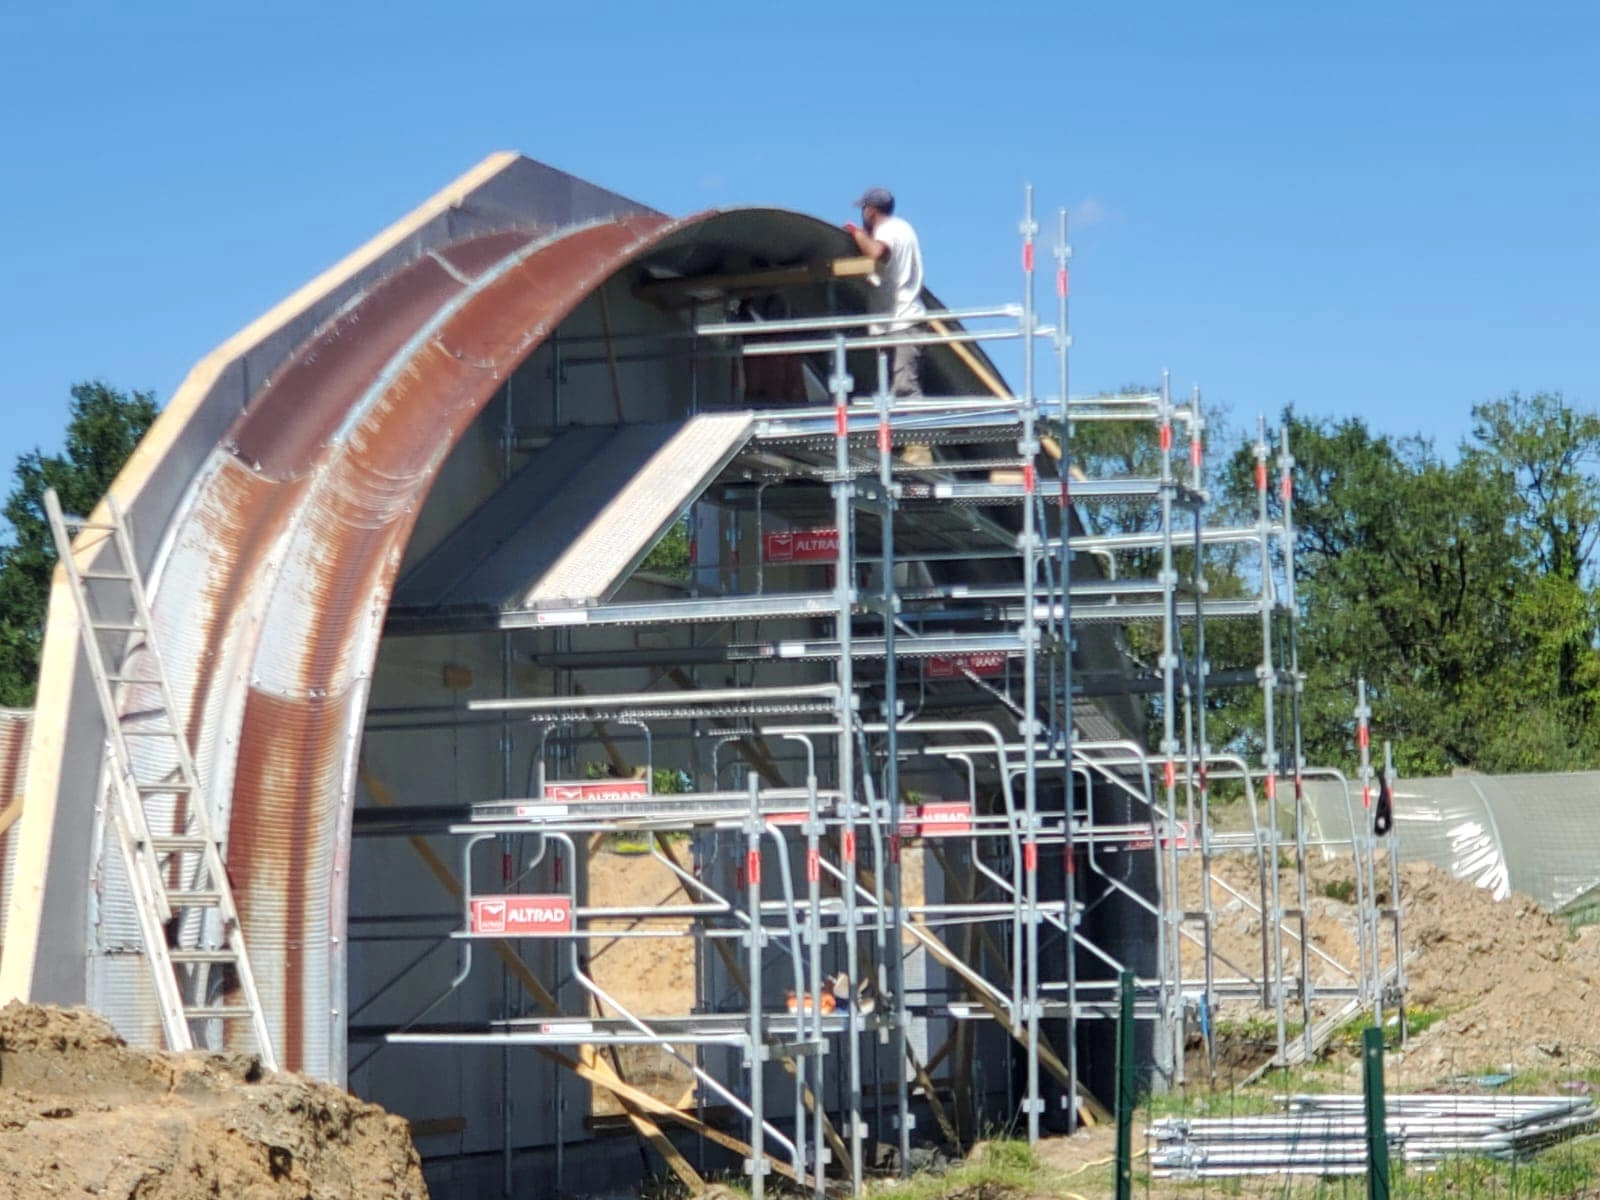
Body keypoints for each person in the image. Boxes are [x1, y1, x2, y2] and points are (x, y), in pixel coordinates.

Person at [844, 187, 926, 398]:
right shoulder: (902, 228)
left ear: (870, 210)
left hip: (902, 322)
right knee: (890, 394)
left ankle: (914, 430)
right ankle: (894, 429)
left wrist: (856, 233)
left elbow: (877, 252)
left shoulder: (888, 230)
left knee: (904, 389)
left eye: (863, 209)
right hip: (895, 322)